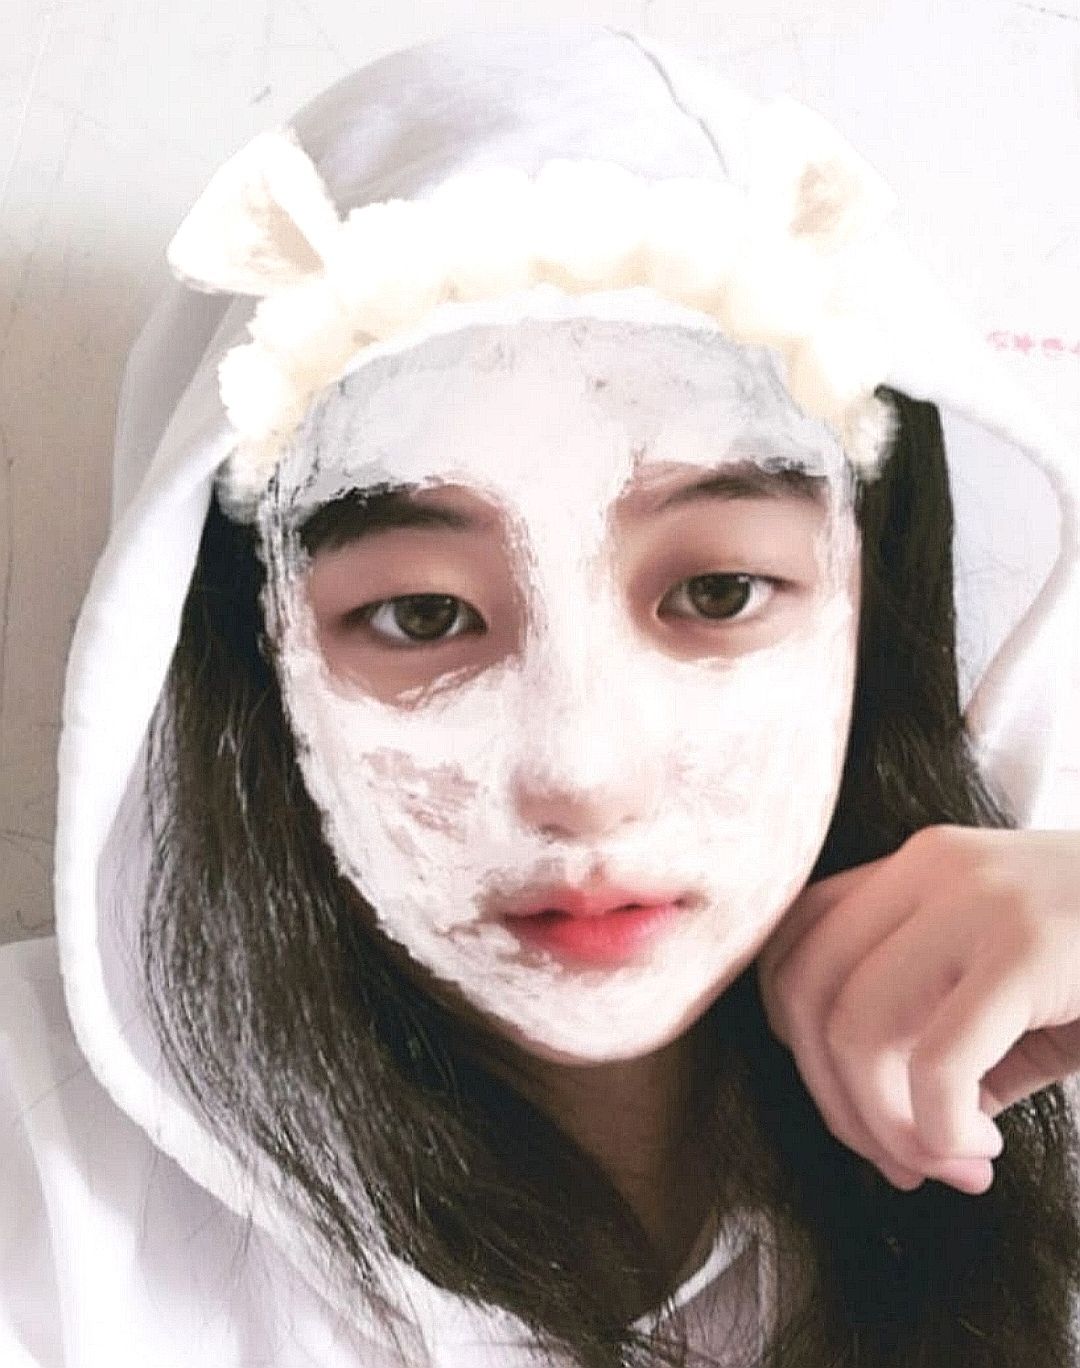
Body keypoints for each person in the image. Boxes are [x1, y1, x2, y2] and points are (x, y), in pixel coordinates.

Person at [1, 23, 1079, 1368]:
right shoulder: (35, 1171)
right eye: (422, 616)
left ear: (884, 603)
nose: (584, 771)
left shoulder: (1057, 1066)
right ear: (245, 650)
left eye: (718, 593)